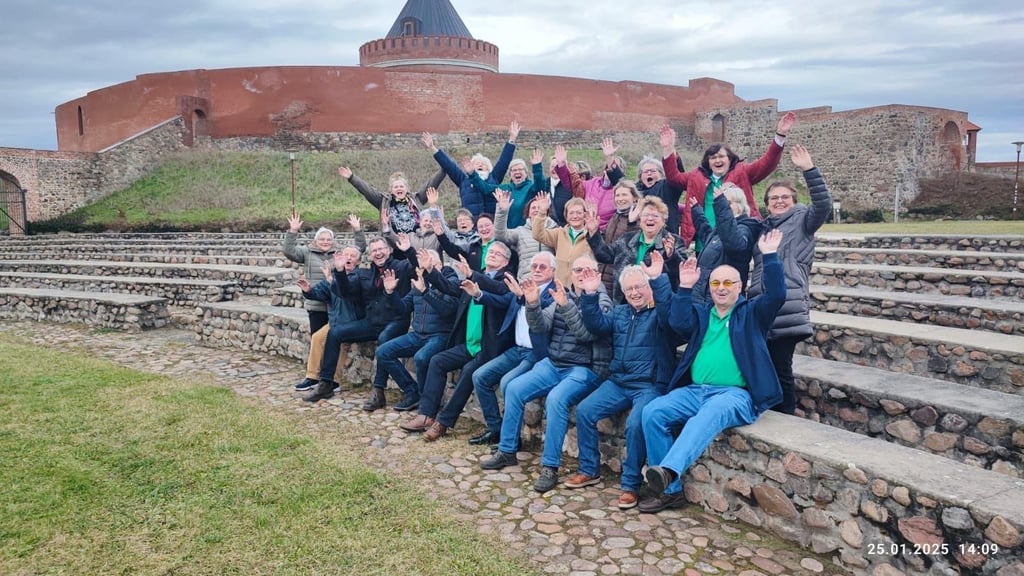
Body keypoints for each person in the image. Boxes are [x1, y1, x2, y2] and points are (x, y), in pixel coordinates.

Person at [639, 230, 785, 514]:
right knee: (653, 413)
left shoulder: (752, 314)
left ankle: (668, 471)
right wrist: (681, 287)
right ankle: (670, 493)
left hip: (735, 394)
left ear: (740, 287)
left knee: (709, 413)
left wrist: (770, 257)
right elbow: (677, 322)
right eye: (715, 282)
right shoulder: (702, 313)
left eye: (728, 282)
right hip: (696, 390)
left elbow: (777, 294)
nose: (721, 287)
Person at [479, 255, 612, 494]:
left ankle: (550, 467)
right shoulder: (564, 296)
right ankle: (507, 450)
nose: (582, 274)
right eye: (577, 269)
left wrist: (565, 306)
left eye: (588, 270)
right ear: (570, 274)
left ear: (597, 275)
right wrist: (531, 304)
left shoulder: (603, 301)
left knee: (556, 399)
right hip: (555, 364)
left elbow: (587, 334)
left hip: (585, 368)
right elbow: (540, 326)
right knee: (515, 389)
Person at [570, 252, 679, 509]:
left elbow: (673, 318)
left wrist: (659, 279)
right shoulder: (620, 313)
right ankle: (589, 469)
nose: (634, 292)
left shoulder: (661, 314)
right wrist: (590, 294)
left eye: (639, 286)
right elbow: (596, 325)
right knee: (585, 410)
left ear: (648, 287)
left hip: (649, 385)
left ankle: (630, 485)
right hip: (619, 381)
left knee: (635, 424)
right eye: (629, 288)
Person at [423, 251, 558, 444]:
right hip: (513, 349)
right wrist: (478, 294)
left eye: (542, 267)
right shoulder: (522, 286)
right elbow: (502, 301)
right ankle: (495, 429)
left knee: (507, 383)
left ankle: (510, 438)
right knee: (480, 376)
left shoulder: (554, 292)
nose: (537, 270)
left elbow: (542, 314)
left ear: (553, 271)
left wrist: (525, 298)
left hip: (534, 353)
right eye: (534, 266)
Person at [747, 144, 832, 414]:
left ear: (794, 201)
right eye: (774, 198)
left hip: (788, 306)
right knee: (764, 363)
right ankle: (769, 410)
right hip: (761, 305)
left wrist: (809, 169)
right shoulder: (763, 228)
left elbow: (823, 204)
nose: (780, 201)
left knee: (781, 366)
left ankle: (785, 418)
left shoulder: (803, 221)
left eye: (785, 197)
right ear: (767, 204)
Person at [399, 242, 515, 434]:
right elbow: (449, 287)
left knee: (469, 371)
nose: (492, 254)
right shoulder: (478, 276)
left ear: (506, 261)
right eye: (491, 251)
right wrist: (429, 270)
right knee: (437, 361)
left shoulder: (507, 280)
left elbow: (498, 289)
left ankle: (443, 422)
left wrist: (472, 276)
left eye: (498, 253)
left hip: (488, 347)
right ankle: (426, 415)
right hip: (469, 343)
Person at [305, 236, 417, 407]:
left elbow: (419, 268)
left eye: (381, 249)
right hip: (372, 323)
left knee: (384, 340)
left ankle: (378, 391)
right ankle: (326, 383)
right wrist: (340, 272)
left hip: (396, 321)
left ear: (389, 251)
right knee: (334, 332)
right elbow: (346, 292)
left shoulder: (401, 267)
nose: (378, 253)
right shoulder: (364, 274)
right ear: (370, 255)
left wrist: (409, 250)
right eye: (374, 251)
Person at [661, 112, 796, 245]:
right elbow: (673, 177)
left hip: (738, 235)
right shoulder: (696, 176)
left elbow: (767, 163)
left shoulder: (742, 171)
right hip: (705, 237)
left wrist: (780, 135)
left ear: (730, 159)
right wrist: (668, 149)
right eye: (713, 158)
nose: (717, 160)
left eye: (721, 157)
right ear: (708, 161)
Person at [374, 248, 460, 412]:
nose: (425, 268)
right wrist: (390, 293)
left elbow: (447, 310)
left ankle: (426, 401)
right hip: (418, 334)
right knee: (383, 352)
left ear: (440, 264)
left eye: (430, 263)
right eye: (422, 264)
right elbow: (403, 308)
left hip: (441, 335)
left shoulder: (451, 281)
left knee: (421, 358)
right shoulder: (418, 282)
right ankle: (412, 392)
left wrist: (426, 292)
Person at [294, 246, 365, 392]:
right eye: (346, 255)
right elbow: (321, 292)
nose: (349, 258)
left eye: (353, 256)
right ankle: (312, 377)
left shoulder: (360, 277)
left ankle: (335, 381)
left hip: (352, 323)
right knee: (317, 337)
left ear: (358, 261)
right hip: (334, 321)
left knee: (341, 344)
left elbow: (347, 291)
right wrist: (309, 290)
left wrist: (333, 280)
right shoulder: (332, 277)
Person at [586, 196, 684, 303]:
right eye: (645, 215)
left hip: (657, 303)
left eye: (655, 216)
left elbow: (681, 273)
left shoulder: (674, 241)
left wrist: (671, 256)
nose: (650, 219)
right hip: (623, 300)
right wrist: (594, 233)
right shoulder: (626, 238)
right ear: (640, 219)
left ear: (663, 220)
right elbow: (605, 255)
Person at [422, 122, 519, 218]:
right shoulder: (464, 180)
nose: (480, 164)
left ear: (488, 168)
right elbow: (449, 166)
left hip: (490, 224)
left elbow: (504, 161)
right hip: (470, 224)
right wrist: (432, 147)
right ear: (470, 167)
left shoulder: (494, 178)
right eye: (476, 163)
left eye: (483, 164)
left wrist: (512, 139)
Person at [688, 182, 761, 305]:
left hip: (722, 297)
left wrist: (722, 206)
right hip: (703, 295)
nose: (724, 206)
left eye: (728, 203)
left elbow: (734, 244)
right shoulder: (720, 229)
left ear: (740, 205)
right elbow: (707, 236)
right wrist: (697, 212)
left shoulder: (746, 227)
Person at [337, 165, 445, 241]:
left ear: (407, 188)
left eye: (401, 186)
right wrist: (352, 178)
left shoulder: (417, 199)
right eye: (396, 187)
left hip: (416, 244)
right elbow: (367, 190)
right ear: (391, 190)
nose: (399, 188)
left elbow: (431, 183)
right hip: (394, 246)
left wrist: (445, 169)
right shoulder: (383, 201)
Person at [282, 213, 336, 335]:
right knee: (317, 340)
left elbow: (359, 250)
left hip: (335, 305)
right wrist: (293, 231)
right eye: (322, 239)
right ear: (316, 241)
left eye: (328, 239)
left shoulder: (338, 254)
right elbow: (288, 251)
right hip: (316, 306)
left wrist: (358, 231)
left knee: (335, 341)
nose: (325, 242)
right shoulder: (307, 252)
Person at [551, 142, 624, 229]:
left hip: (607, 234)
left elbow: (618, 179)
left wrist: (610, 158)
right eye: (609, 165)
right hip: (586, 230)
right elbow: (572, 184)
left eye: (616, 167)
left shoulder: (622, 190)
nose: (611, 167)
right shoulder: (592, 183)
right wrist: (562, 165)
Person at [531, 194, 595, 288]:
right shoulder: (559, 233)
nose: (575, 216)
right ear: (566, 216)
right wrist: (542, 212)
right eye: (571, 213)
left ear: (585, 215)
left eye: (579, 212)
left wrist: (593, 231)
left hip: (581, 288)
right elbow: (537, 234)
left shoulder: (592, 236)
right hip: (559, 288)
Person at [493, 187, 557, 280]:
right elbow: (500, 235)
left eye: (539, 207)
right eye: (533, 208)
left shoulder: (555, 229)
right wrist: (502, 211)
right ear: (528, 213)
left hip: (549, 280)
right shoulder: (520, 231)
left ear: (546, 210)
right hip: (526, 279)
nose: (536, 210)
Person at [469, 153, 538, 228]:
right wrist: (472, 174)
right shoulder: (505, 189)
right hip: (509, 233)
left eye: (520, 169)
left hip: (527, 231)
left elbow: (541, 185)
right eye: (514, 170)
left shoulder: (532, 187)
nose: (517, 172)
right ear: (510, 174)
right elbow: (486, 188)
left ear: (526, 172)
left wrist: (537, 167)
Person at [596, 180, 640, 293]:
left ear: (634, 197)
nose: (620, 198)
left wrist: (632, 223)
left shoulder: (639, 218)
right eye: (617, 195)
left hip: (620, 273)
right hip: (604, 271)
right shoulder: (615, 216)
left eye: (624, 194)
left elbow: (632, 246)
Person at [636, 155, 685, 238]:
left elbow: (678, 176)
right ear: (640, 176)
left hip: (666, 237)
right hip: (641, 238)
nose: (649, 173)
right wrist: (611, 162)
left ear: (661, 174)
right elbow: (621, 184)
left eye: (653, 171)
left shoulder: (668, 187)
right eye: (645, 171)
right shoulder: (636, 190)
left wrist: (672, 155)